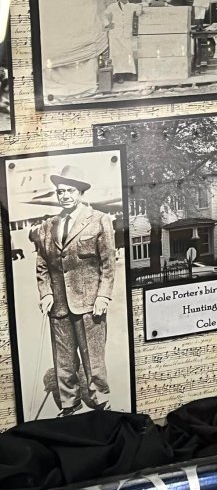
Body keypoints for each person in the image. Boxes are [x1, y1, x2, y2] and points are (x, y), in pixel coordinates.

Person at [34, 165, 116, 417]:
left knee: (93, 358)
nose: (65, 195)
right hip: (58, 306)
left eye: (70, 190)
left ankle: (100, 400)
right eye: (60, 191)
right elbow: (41, 264)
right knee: (64, 359)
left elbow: (108, 264)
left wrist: (103, 296)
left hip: (90, 304)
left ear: (80, 193)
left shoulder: (99, 220)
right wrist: (46, 293)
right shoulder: (47, 226)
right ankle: (69, 403)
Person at [103, 0, 143, 82]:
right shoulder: (113, 6)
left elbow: (139, 12)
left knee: (128, 53)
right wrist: (107, 24)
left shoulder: (132, 6)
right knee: (117, 55)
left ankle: (129, 74)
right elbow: (103, 15)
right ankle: (119, 75)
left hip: (126, 34)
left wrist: (142, 7)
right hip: (115, 34)